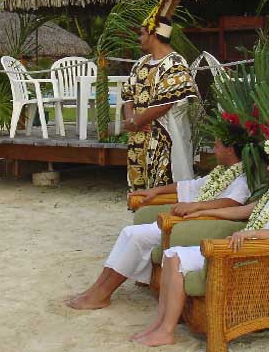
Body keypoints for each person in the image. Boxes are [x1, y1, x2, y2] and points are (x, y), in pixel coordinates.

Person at [131, 139, 269, 346]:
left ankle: (166, 330)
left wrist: (250, 235)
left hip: (255, 253)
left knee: (177, 256)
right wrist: (202, 210)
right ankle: (161, 325)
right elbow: (240, 211)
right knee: (171, 254)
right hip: (241, 246)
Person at [66, 123, 253, 310]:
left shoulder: (242, 177)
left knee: (137, 237)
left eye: (217, 145)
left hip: (200, 225)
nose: (214, 150)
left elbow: (233, 202)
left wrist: (196, 206)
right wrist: (155, 191)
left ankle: (102, 293)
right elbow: (188, 186)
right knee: (128, 232)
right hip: (191, 219)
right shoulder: (221, 173)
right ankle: (97, 290)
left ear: (230, 149)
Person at [121, 0, 199, 191]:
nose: (139, 38)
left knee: (165, 189)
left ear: (153, 33)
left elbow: (166, 102)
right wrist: (131, 120)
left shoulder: (176, 63)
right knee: (141, 190)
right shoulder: (141, 63)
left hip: (165, 141)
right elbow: (128, 96)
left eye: (141, 33)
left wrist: (136, 122)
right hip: (139, 138)